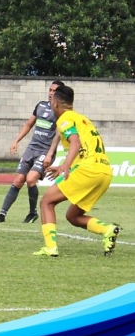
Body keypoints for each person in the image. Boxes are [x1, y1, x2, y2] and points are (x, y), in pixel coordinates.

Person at [33, 85, 120, 257]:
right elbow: (84, 148)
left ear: (56, 104)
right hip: (104, 172)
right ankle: (107, 229)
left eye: (51, 102)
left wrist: (66, 164)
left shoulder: (64, 119)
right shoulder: (82, 119)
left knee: (46, 202)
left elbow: (75, 142)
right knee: (73, 216)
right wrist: (68, 166)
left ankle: (51, 248)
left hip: (88, 169)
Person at [0, 81, 64, 223]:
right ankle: (2, 214)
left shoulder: (60, 111)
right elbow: (29, 124)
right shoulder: (41, 105)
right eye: (49, 90)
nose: (50, 93)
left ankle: (32, 213)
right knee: (18, 180)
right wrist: (16, 141)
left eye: (54, 91)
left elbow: (58, 134)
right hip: (31, 148)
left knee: (31, 179)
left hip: (45, 150)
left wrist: (50, 154)